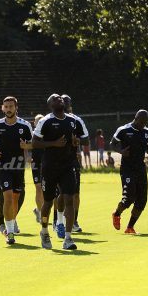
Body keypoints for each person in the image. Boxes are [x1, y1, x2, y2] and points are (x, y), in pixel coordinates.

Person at [32, 94, 86, 250]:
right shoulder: (45, 121)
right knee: (48, 202)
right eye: (55, 98)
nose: (59, 99)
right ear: (50, 105)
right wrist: (54, 143)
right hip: (49, 167)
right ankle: (44, 231)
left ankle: (68, 238)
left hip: (68, 166)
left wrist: (77, 141)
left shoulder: (72, 121)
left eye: (60, 98)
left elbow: (83, 139)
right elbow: (35, 142)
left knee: (69, 199)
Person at [0, 96, 32, 245]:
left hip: (18, 167)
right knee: (7, 196)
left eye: (11, 106)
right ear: (2, 108)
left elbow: (32, 144)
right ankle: (10, 232)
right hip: (3, 166)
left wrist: (26, 149)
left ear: (16, 108)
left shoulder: (24, 126)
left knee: (15, 198)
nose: (8, 109)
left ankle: (11, 224)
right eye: (6, 107)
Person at [110, 110, 148, 234]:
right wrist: (121, 151)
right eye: (142, 122)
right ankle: (116, 213)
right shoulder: (123, 130)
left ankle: (130, 227)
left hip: (140, 168)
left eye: (145, 123)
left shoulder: (147, 133)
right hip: (127, 168)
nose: (143, 125)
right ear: (136, 119)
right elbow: (112, 144)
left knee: (142, 200)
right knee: (129, 197)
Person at [53, 94, 90, 234]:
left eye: (67, 103)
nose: (65, 105)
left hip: (71, 160)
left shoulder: (76, 120)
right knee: (59, 194)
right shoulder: (50, 119)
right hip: (55, 161)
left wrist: (77, 140)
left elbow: (86, 140)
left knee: (75, 193)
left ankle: (73, 221)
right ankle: (57, 220)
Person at [31, 114, 45, 224]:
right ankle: (40, 212)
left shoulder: (48, 133)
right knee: (38, 187)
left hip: (48, 163)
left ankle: (39, 210)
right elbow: (24, 145)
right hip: (35, 163)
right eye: (37, 121)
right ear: (34, 123)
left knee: (47, 188)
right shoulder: (32, 134)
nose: (40, 122)